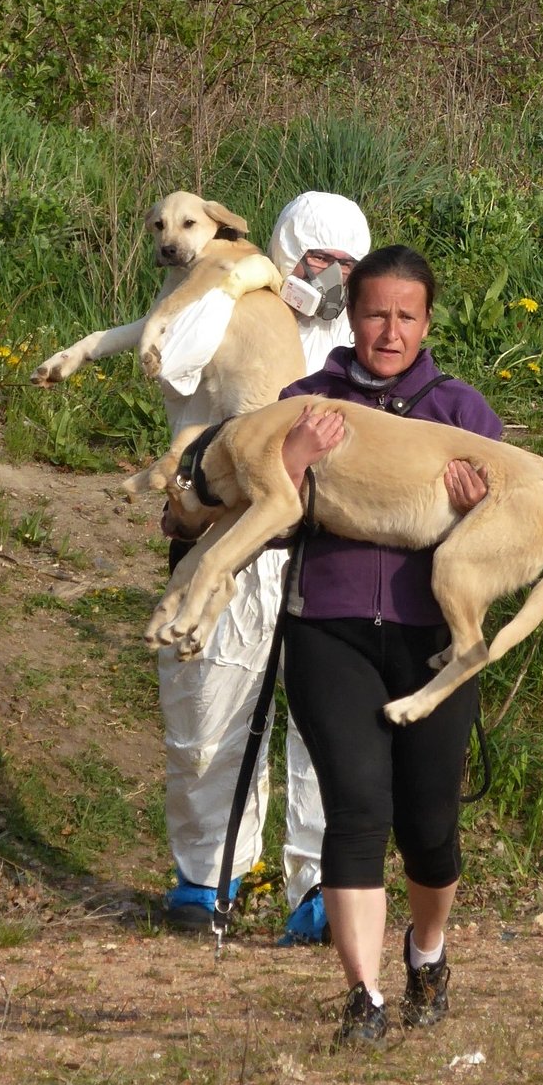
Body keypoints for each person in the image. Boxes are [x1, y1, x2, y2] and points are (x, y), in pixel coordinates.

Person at [277, 244, 503, 1047]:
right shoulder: (306, 400)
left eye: (407, 315)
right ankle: (365, 999)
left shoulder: (464, 412)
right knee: (356, 812)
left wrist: (474, 512)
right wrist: (294, 459)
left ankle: (427, 952)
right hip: (328, 629)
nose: (390, 329)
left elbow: (502, 543)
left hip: (431, 646)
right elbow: (263, 512)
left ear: (428, 322)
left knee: (430, 826)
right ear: (352, 314)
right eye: (376, 312)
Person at [161, 192, 372, 941]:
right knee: (207, 709)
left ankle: (320, 886)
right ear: (286, 253)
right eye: (319, 260)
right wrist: (227, 288)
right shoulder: (232, 299)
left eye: (348, 264)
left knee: (326, 730)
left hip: (323, 554)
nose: (333, 278)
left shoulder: (362, 343)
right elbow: (174, 363)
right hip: (224, 545)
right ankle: (207, 875)